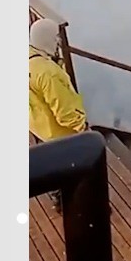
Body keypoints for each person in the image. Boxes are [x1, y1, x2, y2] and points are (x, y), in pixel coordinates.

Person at [29, 18, 88, 214]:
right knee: (82, 168)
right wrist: (82, 127)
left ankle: (58, 199)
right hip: (60, 132)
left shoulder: (29, 60)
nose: (58, 43)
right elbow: (64, 110)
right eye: (55, 38)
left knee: (54, 166)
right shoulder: (49, 73)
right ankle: (84, 206)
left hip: (39, 126)